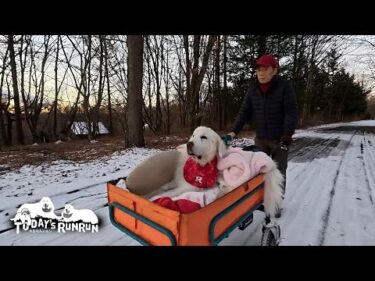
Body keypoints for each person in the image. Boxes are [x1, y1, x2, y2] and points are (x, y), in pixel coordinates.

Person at [225, 54, 298, 217]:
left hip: (280, 139)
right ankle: (258, 200)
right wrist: (233, 132)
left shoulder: (284, 87)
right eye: (258, 70)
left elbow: (291, 111)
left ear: (274, 70)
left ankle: (276, 204)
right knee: (257, 171)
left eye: (265, 69)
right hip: (261, 138)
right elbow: (244, 112)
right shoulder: (253, 89)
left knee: (278, 173)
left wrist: (288, 133)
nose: (261, 73)